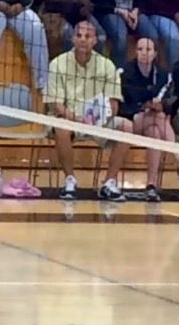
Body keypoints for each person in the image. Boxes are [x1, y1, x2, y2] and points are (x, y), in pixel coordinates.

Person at [46, 20, 133, 201]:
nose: (83, 40)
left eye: (87, 36)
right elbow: (56, 105)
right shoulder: (57, 64)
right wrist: (77, 118)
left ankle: (109, 183)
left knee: (127, 127)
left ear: (95, 41)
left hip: (99, 120)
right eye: (79, 36)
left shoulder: (107, 66)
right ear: (72, 39)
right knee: (61, 127)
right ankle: (70, 181)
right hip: (68, 117)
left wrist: (102, 118)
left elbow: (114, 102)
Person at [120, 37, 179, 200]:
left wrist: (161, 106)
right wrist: (148, 104)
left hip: (153, 121)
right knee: (158, 118)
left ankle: (151, 186)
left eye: (148, 50)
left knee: (155, 132)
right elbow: (129, 102)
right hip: (130, 121)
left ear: (155, 53)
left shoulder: (163, 74)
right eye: (139, 49)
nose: (143, 53)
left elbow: (168, 102)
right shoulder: (126, 72)